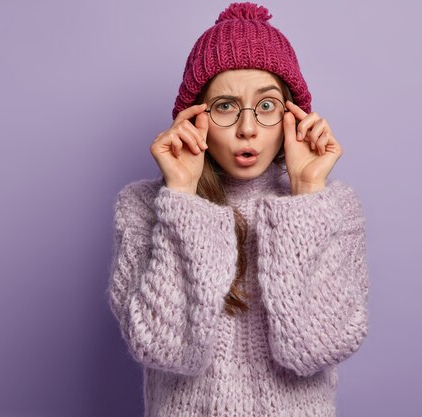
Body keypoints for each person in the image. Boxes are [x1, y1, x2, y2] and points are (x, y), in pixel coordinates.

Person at [106, 2, 370, 416]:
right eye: (226, 106)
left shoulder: (332, 206)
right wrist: (181, 197)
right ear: (195, 117)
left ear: (293, 117)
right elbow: (162, 347)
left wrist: (305, 195)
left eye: (266, 106)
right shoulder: (144, 206)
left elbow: (318, 348)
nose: (247, 128)